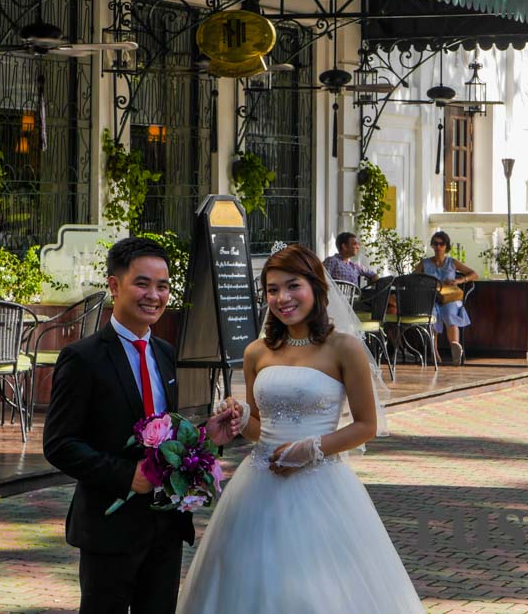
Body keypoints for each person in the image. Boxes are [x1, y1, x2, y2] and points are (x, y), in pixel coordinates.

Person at [177, 244, 422, 613]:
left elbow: (367, 425)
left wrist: (313, 448)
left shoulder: (344, 348)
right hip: (258, 485)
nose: (282, 298)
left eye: (292, 286)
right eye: (272, 290)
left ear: (315, 286)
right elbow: (260, 429)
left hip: (320, 484)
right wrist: (242, 418)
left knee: (319, 589)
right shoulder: (257, 352)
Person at [44, 237, 233, 614]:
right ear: (115, 286)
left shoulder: (165, 353)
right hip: (109, 527)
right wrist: (125, 475)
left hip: (166, 527)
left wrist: (207, 436)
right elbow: (59, 443)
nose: (154, 295)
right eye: (142, 283)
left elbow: (165, 435)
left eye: (162, 286)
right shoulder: (83, 358)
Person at [415, 230, 477, 365]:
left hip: (450, 298)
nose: (438, 247)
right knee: (432, 316)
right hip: (431, 297)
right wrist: (423, 283)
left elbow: (474, 274)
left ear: (446, 246)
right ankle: (434, 352)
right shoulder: (424, 263)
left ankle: (455, 347)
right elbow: (413, 278)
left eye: (441, 244)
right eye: (435, 244)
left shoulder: (452, 262)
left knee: (450, 314)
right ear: (432, 245)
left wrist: (459, 281)